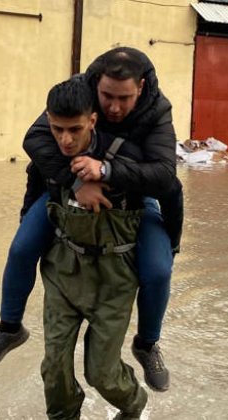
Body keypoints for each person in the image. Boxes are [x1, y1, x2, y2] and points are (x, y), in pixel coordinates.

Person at [0, 47, 183, 392]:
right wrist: (76, 182)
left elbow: (165, 176)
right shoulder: (77, 92)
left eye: (124, 98)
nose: (114, 107)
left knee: (159, 269)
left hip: (135, 195)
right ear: (94, 86)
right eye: (107, 97)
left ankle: (147, 345)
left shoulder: (158, 110)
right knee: (22, 248)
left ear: (141, 88)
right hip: (65, 186)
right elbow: (36, 139)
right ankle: (9, 328)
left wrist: (107, 171)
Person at [39, 78, 147, 420]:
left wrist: (168, 246)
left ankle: (133, 404)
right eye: (57, 129)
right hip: (64, 272)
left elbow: (167, 186)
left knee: (101, 373)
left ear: (92, 121)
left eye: (74, 130)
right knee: (54, 368)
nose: (65, 140)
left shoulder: (127, 155)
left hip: (114, 282)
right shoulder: (46, 154)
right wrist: (74, 183)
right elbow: (32, 197)